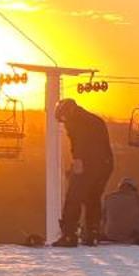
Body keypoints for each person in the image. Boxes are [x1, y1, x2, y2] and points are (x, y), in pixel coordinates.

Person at [53, 96, 114, 247]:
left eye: (63, 119)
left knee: (74, 197)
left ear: (68, 111)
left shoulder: (75, 121)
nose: (64, 122)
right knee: (93, 197)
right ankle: (92, 233)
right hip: (105, 164)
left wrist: (77, 162)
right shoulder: (94, 120)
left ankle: (69, 234)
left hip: (89, 163)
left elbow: (79, 142)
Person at [100, 178, 139, 245]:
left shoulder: (108, 198)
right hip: (132, 237)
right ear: (134, 188)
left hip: (111, 235)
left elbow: (102, 218)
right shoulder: (138, 199)